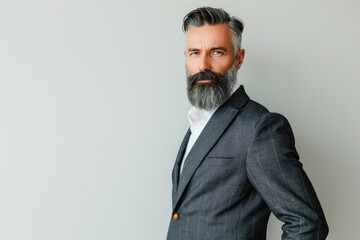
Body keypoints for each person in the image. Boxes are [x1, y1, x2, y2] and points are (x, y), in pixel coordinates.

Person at [166, 6, 329, 240]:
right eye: (194, 53)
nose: (203, 65)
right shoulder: (197, 123)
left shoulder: (259, 128)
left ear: (238, 58)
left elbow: (307, 223)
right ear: (186, 58)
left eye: (217, 52)